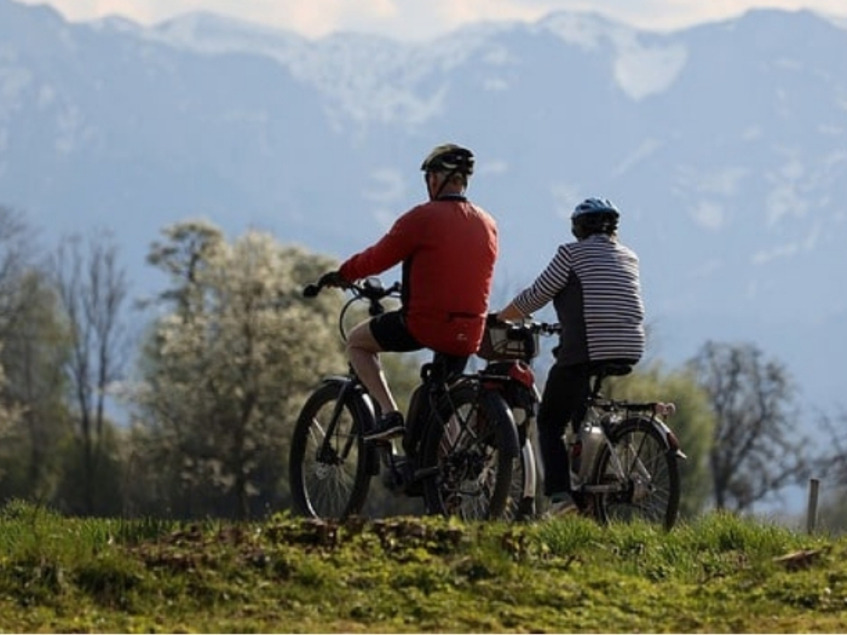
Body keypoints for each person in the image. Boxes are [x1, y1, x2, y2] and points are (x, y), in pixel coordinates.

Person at [316, 143, 499, 441]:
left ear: (436, 179)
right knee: (441, 398)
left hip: (425, 324)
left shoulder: (422, 218)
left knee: (357, 342)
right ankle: (446, 471)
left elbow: (378, 257)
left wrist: (343, 274)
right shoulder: (488, 223)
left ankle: (390, 414)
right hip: (471, 330)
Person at [495, 197, 645, 509]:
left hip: (590, 346)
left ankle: (561, 497)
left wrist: (501, 318)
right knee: (579, 399)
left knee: (549, 422)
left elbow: (537, 294)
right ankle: (590, 468)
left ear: (578, 228)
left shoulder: (571, 253)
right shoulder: (629, 256)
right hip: (629, 346)